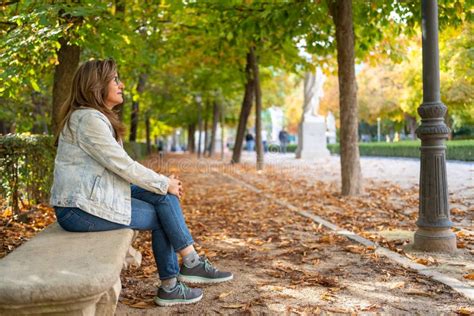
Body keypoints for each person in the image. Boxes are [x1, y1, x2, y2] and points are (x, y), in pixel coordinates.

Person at [50, 59, 232, 307]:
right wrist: (162, 181)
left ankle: (190, 264)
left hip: (96, 195)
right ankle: (173, 283)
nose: (121, 84)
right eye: (115, 79)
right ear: (96, 85)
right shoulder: (88, 120)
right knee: (162, 215)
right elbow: (122, 165)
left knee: (164, 198)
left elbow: (120, 167)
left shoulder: (94, 117)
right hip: (78, 209)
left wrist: (163, 184)